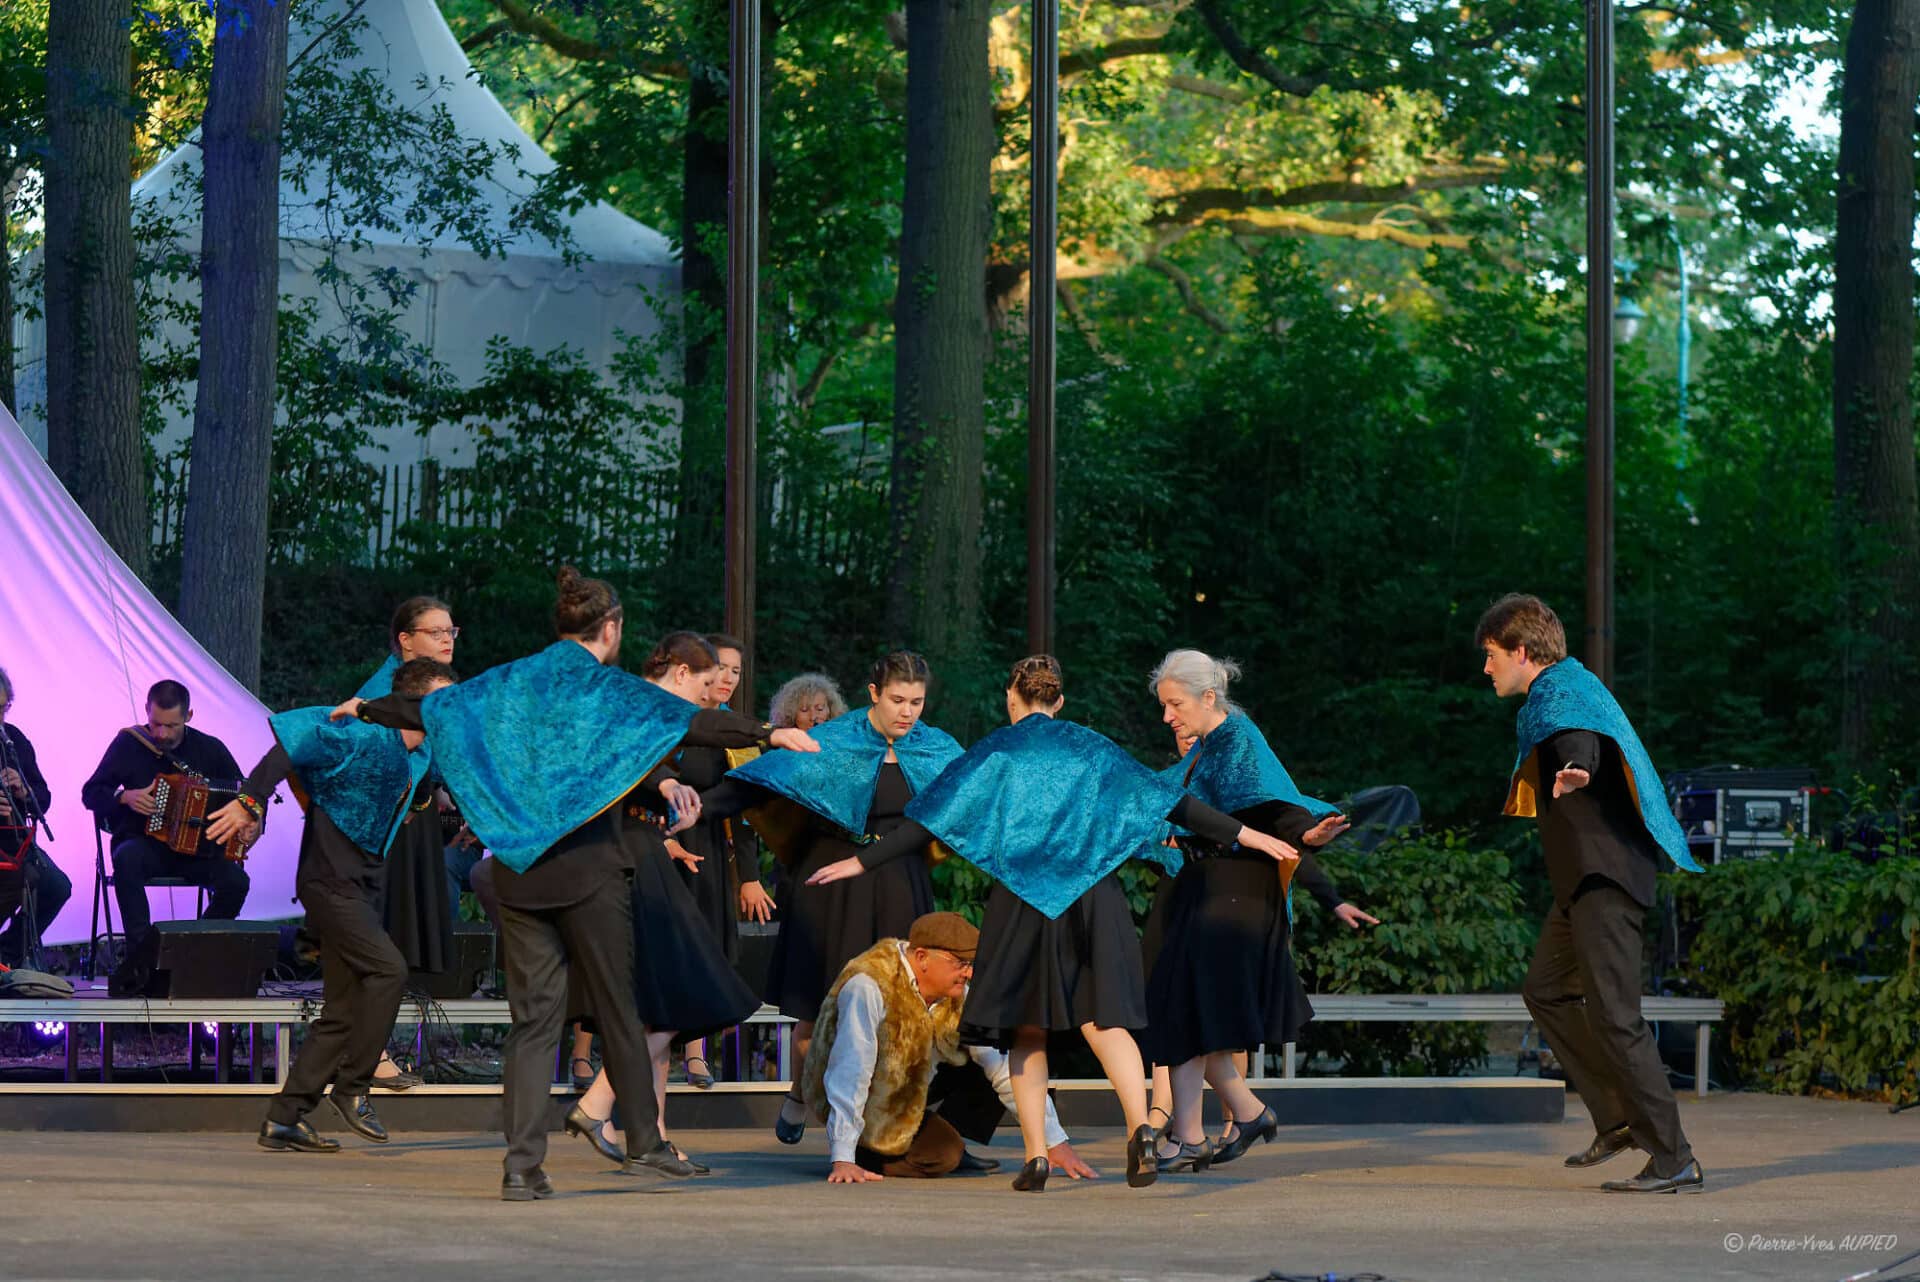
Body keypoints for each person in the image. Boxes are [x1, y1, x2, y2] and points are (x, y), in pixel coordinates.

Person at [345, 569, 818, 1200]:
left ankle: (521, 1167)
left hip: (518, 871)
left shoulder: (511, 680)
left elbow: (435, 707)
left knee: (534, 1022)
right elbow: (690, 721)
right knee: (620, 1007)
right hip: (589, 870)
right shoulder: (606, 688)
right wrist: (767, 732)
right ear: (612, 628)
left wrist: (367, 707)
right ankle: (645, 1143)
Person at [810, 655, 1301, 1192]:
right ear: (1060, 701)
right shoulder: (1090, 746)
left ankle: (1037, 1157)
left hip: (1023, 900)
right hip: (1095, 897)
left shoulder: (998, 748)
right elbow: (1172, 801)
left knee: (1026, 1033)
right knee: (1105, 1022)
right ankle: (1140, 1129)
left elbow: (930, 817)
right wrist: (1245, 835)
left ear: (1011, 697)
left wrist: (861, 861)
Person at [1477, 593, 1706, 1194]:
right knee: (1545, 990)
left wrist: (1577, 767)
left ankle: (1673, 1156)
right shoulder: (1561, 691)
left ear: (1522, 652)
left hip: (1606, 879)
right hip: (1582, 883)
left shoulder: (1562, 694)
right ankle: (1619, 1119)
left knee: (1615, 1016)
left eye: (1492, 655)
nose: (1487, 668)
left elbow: (1584, 740)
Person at [703, 651, 964, 1145]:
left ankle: (891, 1128)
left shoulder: (936, 749)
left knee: (904, 1009)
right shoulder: (835, 740)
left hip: (898, 883)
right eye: (897, 700)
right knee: (820, 1005)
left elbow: (964, 807)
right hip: (831, 883)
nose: (908, 711)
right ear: (873, 694)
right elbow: (761, 782)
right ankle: (801, 1094)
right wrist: (693, 809)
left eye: (917, 702)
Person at [209, 658, 458, 1153]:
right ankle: (354, 1088)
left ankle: (285, 1117)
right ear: (412, 704)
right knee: (388, 971)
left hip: (364, 886)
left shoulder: (423, 753)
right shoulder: (360, 737)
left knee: (341, 1010)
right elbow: (292, 746)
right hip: (329, 882)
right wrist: (251, 801)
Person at [1144, 649, 1377, 1171]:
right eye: (1164, 706)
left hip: (1233, 893)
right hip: (1208, 888)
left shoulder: (1239, 739)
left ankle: (1203, 1131)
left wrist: (1308, 834)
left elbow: (1277, 807)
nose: (1167, 717)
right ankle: (1222, 1122)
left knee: (1189, 1010)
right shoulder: (1206, 748)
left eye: (1175, 704)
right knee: (1185, 1012)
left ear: (1209, 697)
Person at [562, 631, 779, 1173]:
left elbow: (710, 744)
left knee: (667, 1005)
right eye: (707, 682)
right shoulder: (635, 708)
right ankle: (604, 1109)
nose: (713, 695)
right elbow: (628, 761)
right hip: (630, 860)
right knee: (684, 997)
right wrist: (664, 788)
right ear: (681, 673)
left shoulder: (663, 711)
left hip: (651, 855)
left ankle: (643, 1129)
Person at [802, 911, 1089, 1183]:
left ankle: (943, 1134)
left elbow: (1002, 1067)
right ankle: (867, 1153)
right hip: (860, 1093)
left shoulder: (958, 991)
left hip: (908, 1084)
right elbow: (850, 1068)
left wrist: (1055, 1141)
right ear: (922, 957)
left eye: (971, 964)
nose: (968, 974)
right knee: (941, 1156)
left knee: (995, 1044)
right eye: (960, 964)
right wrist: (843, 1157)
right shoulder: (868, 985)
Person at [81, 680, 251, 981]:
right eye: (156, 723)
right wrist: (124, 797)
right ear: (147, 711)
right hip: (145, 845)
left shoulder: (209, 749)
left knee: (236, 881)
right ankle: (143, 960)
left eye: (171, 726)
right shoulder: (129, 744)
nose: (162, 734)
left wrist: (253, 822)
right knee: (126, 860)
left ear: (189, 716)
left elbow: (245, 796)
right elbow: (91, 793)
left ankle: (194, 955)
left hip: (198, 851)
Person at [670, 632, 760, 1090]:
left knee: (704, 943)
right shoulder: (673, 718)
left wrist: (750, 877)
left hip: (705, 846)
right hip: (655, 838)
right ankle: (592, 1052)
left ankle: (695, 1051)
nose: (727, 678)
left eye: (736, 671)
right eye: (719, 667)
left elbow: (745, 810)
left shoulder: (738, 732)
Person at [0, 667, 71, 968]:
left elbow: (44, 798)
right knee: (22, 878)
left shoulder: (13, 740)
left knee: (56, 886)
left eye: (3, 709)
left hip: (12, 841)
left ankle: (6, 955)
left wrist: (23, 791)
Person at [769, 672, 847, 732]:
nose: (813, 717)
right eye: (804, 710)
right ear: (791, 715)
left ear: (830, 710)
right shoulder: (778, 745)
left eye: (820, 709)